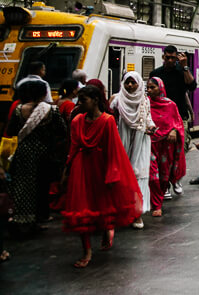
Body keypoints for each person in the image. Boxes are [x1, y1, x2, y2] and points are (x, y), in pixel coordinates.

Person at [62, 84, 142, 268]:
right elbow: (73, 148)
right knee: (82, 208)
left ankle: (107, 229)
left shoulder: (107, 121)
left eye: (83, 100)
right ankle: (87, 251)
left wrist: (113, 172)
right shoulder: (77, 121)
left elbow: (113, 149)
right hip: (81, 168)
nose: (79, 104)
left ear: (95, 100)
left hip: (100, 166)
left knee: (102, 203)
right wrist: (67, 170)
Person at [5, 80, 68, 235]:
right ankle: (37, 219)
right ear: (43, 93)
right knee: (41, 187)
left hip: (23, 153)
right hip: (44, 153)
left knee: (22, 186)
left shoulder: (19, 110)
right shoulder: (50, 110)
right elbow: (62, 130)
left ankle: (21, 220)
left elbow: (12, 130)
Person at [109, 72, 156, 229]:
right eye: (127, 82)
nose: (130, 85)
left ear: (139, 84)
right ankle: (121, 212)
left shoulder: (144, 100)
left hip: (140, 142)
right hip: (120, 142)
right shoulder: (116, 100)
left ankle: (137, 214)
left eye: (133, 82)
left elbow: (148, 117)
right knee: (120, 176)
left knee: (139, 175)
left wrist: (151, 126)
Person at [147, 77, 185, 216]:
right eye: (148, 87)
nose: (149, 90)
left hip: (166, 146)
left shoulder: (170, 105)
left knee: (164, 176)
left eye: (153, 87)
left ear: (160, 88)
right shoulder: (145, 104)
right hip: (150, 144)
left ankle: (158, 200)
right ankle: (156, 205)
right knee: (153, 176)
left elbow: (178, 123)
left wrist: (174, 130)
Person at [150, 45, 197, 148]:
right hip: (161, 118)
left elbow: (192, 86)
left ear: (177, 58)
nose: (170, 60)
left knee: (180, 150)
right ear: (163, 57)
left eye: (173, 58)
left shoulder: (182, 72)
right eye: (167, 57)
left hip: (179, 116)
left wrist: (185, 66)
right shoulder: (156, 73)